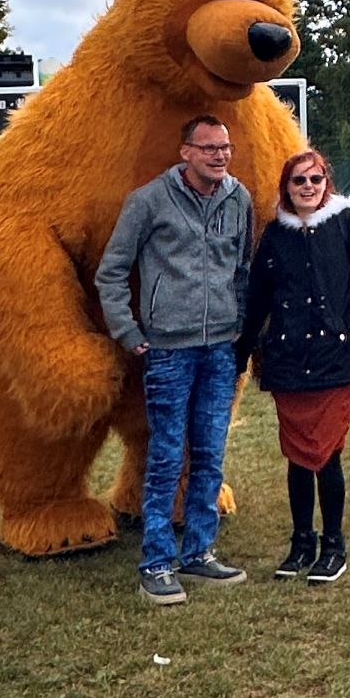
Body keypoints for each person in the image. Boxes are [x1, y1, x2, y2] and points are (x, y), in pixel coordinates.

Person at [95, 115, 254, 606]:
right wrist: (128, 332)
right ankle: (156, 563)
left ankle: (199, 553)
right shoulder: (148, 201)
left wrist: (241, 329)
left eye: (224, 147)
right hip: (168, 350)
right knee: (165, 456)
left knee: (209, 455)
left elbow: (242, 268)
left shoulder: (239, 198)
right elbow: (112, 272)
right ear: (185, 151)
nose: (219, 156)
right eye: (208, 148)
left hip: (220, 349)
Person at [237, 147, 350, 585]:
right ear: (286, 188)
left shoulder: (346, 224)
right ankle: (301, 542)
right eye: (298, 181)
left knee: (326, 454)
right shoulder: (274, 236)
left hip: (335, 361)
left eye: (315, 180)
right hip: (288, 361)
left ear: (327, 184)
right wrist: (242, 352)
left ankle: (334, 544)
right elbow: (258, 299)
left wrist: (349, 326)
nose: (308, 187)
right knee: (296, 456)